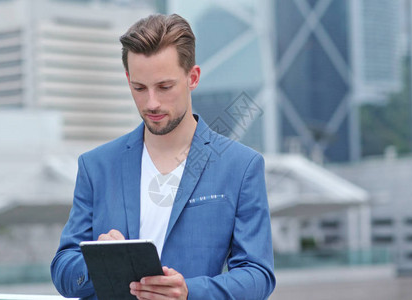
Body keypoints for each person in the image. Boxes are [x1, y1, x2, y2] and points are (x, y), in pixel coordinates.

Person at [51, 13, 275, 300]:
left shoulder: (241, 166)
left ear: (192, 78)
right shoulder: (97, 166)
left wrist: (189, 292)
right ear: (128, 80)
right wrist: (99, 262)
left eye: (165, 87)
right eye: (139, 88)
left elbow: (258, 275)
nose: (152, 102)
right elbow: (63, 270)